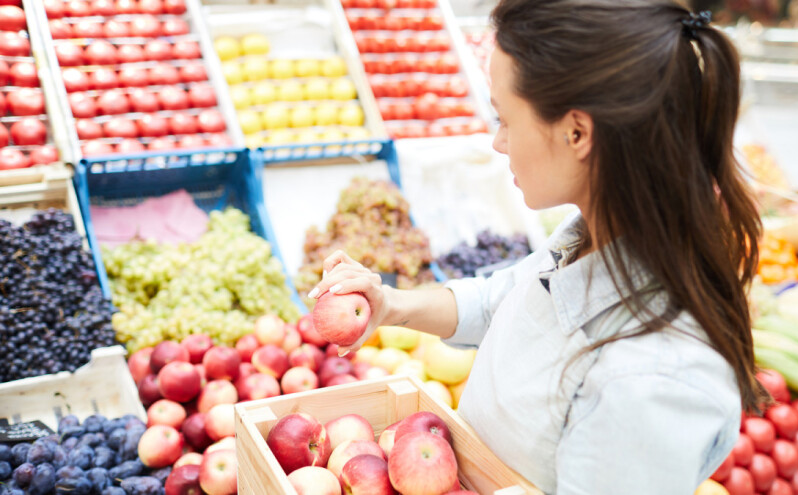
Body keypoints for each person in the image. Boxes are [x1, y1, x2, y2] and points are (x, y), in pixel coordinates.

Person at [308, 0, 770, 492]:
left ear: (577, 133)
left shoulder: (653, 382)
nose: (497, 142)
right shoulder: (593, 232)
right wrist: (391, 305)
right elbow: (503, 300)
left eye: (505, 119)